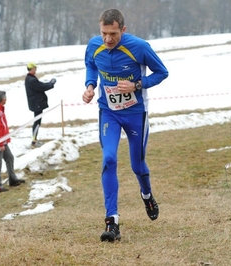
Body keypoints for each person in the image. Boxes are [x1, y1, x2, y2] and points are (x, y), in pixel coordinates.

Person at [83, 8, 168, 242]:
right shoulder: (94, 45)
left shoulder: (139, 47)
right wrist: (90, 86)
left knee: (137, 165)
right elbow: (91, 65)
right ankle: (112, 221)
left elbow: (162, 72)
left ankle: (147, 194)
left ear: (123, 29)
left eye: (113, 34)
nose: (108, 39)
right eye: (104, 33)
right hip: (108, 112)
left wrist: (137, 85)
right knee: (109, 159)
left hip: (135, 114)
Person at [0, 91, 25, 192]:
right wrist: (0, 144)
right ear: (1, 99)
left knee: (9, 158)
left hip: (2, 140)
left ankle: (12, 179)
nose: (6, 99)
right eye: (5, 97)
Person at [24, 62, 57, 147]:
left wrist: (49, 83)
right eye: (35, 68)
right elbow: (41, 87)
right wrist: (51, 84)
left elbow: (40, 85)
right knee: (37, 122)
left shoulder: (29, 78)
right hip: (36, 104)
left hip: (35, 103)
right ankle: (34, 140)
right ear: (32, 69)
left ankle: (34, 139)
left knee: (37, 121)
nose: (36, 69)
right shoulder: (32, 79)